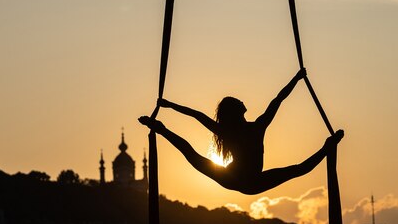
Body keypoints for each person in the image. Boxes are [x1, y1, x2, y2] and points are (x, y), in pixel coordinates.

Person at [138, 68, 344, 195]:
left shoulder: (232, 130)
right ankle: (328, 146)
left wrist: (297, 79)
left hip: (237, 179)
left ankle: (328, 146)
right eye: (239, 102)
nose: (243, 101)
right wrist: (169, 105)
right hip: (246, 180)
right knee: (298, 169)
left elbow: (278, 99)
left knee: (191, 155)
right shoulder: (254, 127)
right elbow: (196, 114)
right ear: (237, 110)